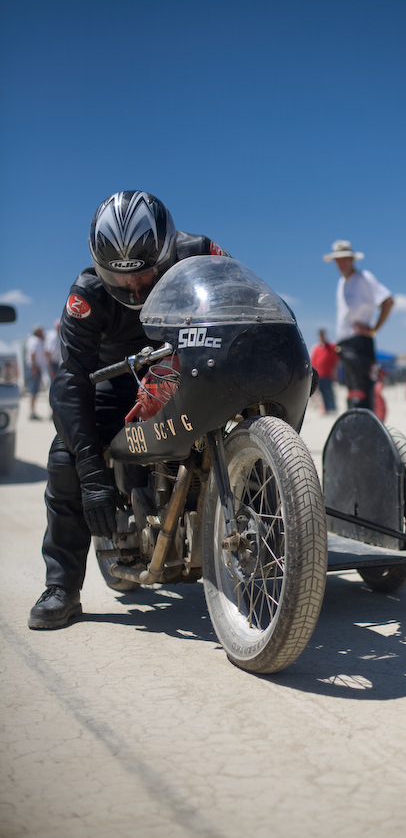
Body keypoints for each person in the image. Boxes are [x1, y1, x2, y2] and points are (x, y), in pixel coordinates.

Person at [28, 190, 230, 629]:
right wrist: (92, 476)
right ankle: (62, 586)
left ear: (166, 251)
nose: (134, 288)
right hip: (113, 383)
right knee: (64, 461)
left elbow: (241, 303)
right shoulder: (86, 294)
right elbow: (69, 382)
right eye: (120, 281)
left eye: (145, 275)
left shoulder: (201, 253)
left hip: (185, 370)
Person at [323, 240, 394, 410]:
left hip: (360, 342)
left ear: (352, 259)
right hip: (346, 343)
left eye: (345, 259)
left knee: (362, 393)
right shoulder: (342, 283)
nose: (342, 263)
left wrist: (373, 329)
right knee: (352, 393)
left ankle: (366, 430)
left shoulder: (364, 278)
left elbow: (388, 301)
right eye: (338, 260)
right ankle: (357, 430)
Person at [310, 328, 339, 412]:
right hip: (319, 375)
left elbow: (336, 360)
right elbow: (313, 362)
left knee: (329, 392)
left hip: (328, 375)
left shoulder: (331, 347)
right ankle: (326, 409)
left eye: (322, 334)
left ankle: (332, 409)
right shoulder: (316, 348)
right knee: (321, 393)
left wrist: (335, 371)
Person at [25, 326, 48, 420]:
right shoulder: (35, 341)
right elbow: (33, 354)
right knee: (33, 391)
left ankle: (32, 412)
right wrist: (34, 368)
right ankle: (32, 412)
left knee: (34, 391)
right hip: (34, 367)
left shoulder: (34, 340)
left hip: (35, 367)